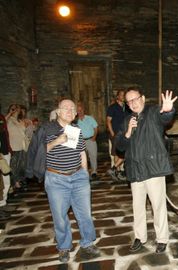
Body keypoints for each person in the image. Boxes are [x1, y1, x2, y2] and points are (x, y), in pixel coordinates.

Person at [116, 88, 177, 254]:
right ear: (127, 105)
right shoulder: (127, 120)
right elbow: (119, 146)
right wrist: (128, 132)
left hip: (153, 168)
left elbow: (165, 117)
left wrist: (168, 109)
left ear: (142, 98)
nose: (133, 103)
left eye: (135, 99)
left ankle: (162, 238)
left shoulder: (153, 112)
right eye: (129, 101)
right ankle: (140, 237)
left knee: (158, 206)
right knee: (137, 206)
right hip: (135, 170)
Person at [43, 99, 100, 262]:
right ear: (58, 112)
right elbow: (39, 152)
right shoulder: (47, 129)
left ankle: (88, 242)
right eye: (65, 108)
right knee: (60, 216)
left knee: (85, 214)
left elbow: (82, 152)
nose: (69, 111)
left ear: (75, 114)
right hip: (56, 179)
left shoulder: (76, 129)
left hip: (78, 177)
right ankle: (64, 247)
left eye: (72, 109)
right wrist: (57, 141)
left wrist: (84, 173)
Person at [106, 89, 128, 181]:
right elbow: (108, 121)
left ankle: (114, 170)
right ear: (118, 97)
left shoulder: (127, 107)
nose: (123, 96)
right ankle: (117, 172)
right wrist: (112, 133)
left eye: (124, 95)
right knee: (116, 153)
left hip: (125, 133)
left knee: (124, 152)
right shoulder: (112, 107)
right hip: (116, 133)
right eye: (121, 95)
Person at [6, 104, 28, 193]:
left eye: (17, 109)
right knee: (13, 166)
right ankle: (14, 183)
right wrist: (10, 113)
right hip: (13, 146)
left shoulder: (19, 120)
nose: (16, 110)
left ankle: (18, 181)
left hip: (22, 146)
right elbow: (3, 121)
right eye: (14, 109)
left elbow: (23, 131)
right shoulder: (9, 120)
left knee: (21, 166)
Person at [76, 102, 99, 179]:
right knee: (81, 158)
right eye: (78, 110)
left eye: (81, 110)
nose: (80, 112)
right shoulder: (75, 121)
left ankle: (94, 172)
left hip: (90, 139)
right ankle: (84, 172)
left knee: (93, 156)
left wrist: (94, 137)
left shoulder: (90, 118)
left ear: (83, 110)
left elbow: (96, 127)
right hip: (81, 141)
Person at [0, 106, 14, 217]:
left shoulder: (1, 117)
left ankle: (3, 203)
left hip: (5, 152)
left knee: (6, 180)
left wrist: (9, 149)